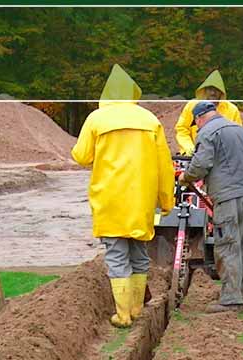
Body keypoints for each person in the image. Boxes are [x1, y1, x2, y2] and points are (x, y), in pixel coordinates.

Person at [71, 65, 174, 328]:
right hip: (141, 199)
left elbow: (82, 156)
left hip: (109, 197)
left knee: (116, 253)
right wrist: (167, 202)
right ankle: (137, 309)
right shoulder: (151, 120)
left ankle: (123, 315)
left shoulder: (97, 119)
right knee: (139, 251)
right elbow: (165, 166)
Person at [179, 100, 243, 313]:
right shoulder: (240, 130)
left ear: (199, 118)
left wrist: (185, 177)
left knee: (227, 245)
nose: (196, 127)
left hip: (230, 196)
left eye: (195, 123)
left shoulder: (207, 133)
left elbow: (200, 165)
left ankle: (230, 300)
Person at [174, 70, 243, 156]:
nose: (213, 93)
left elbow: (238, 135)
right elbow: (182, 129)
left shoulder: (232, 110)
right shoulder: (192, 105)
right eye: (210, 89)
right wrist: (189, 148)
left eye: (216, 90)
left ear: (221, 92)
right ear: (205, 90)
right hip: (193, 156)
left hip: (222, 157)